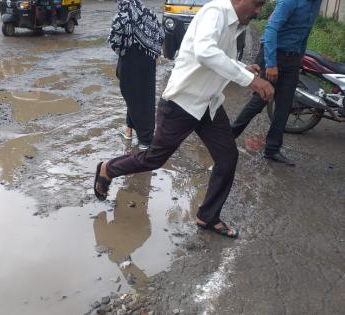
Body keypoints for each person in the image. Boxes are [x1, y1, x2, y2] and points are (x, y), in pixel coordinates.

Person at [94, 0, 274, 238]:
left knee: (228, 157)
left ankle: (207, 216)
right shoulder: (215, 12)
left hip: (209, 104)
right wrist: (249, 79)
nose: (259, 12)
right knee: (154, 159)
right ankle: (108, 169)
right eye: (257, 4)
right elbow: (205, 52)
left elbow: (219, 58)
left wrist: (242, 67)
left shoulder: (232, 24)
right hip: (183, 103)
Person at [231, 0, 322, 166]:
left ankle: (272, 149)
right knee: (260, 100)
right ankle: (229, 136)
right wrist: (271, 63)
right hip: (273, 54)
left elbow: (305, 30)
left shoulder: (316, 3)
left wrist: (300, 56)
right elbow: (271, 29)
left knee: (285, 105)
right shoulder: (290, 1)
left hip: (293, 59)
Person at [108, 0, 164, 149]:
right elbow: (161, 34)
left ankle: (145, 140)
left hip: (130, 63)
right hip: (148, 63)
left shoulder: (122, 16)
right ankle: (128, 130)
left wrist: (125, 52)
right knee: (144, 97)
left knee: (135, 99)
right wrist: (151, 50)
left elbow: (114, 41)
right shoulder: (149, 13)